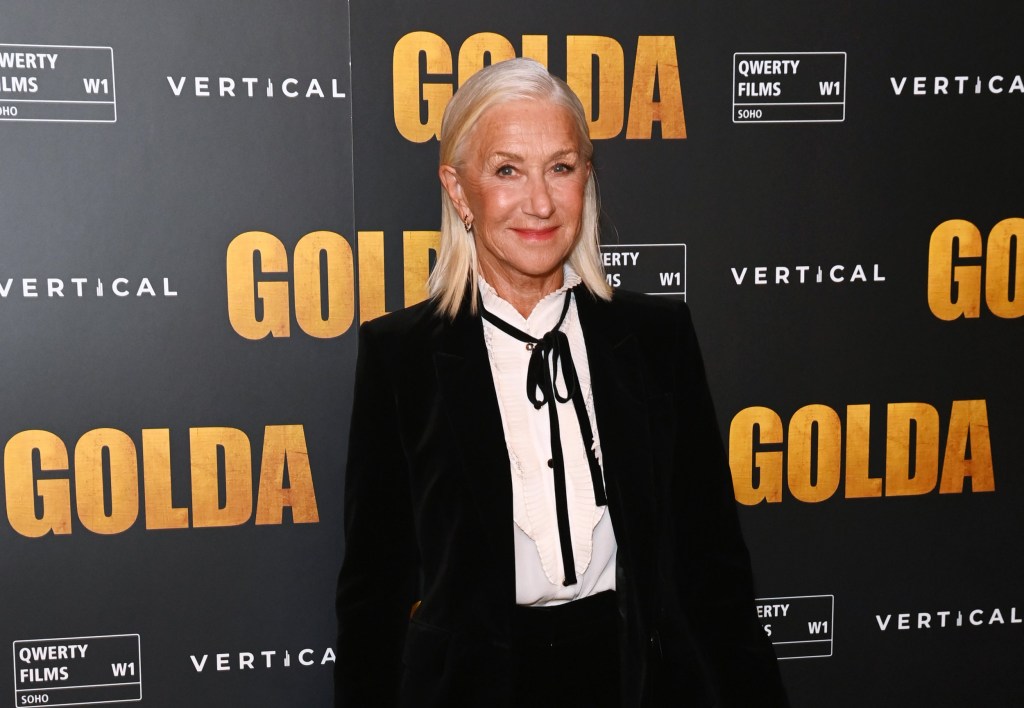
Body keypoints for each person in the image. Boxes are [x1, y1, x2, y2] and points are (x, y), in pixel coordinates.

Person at [335, 57, 788, 708]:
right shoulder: (401, 357)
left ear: (586, 179)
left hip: (631, 682)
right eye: (508, 169)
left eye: (561, 167)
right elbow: (373, 593)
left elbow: (711, 568)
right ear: (460, 192)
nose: (540, 202)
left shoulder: (656, 339)